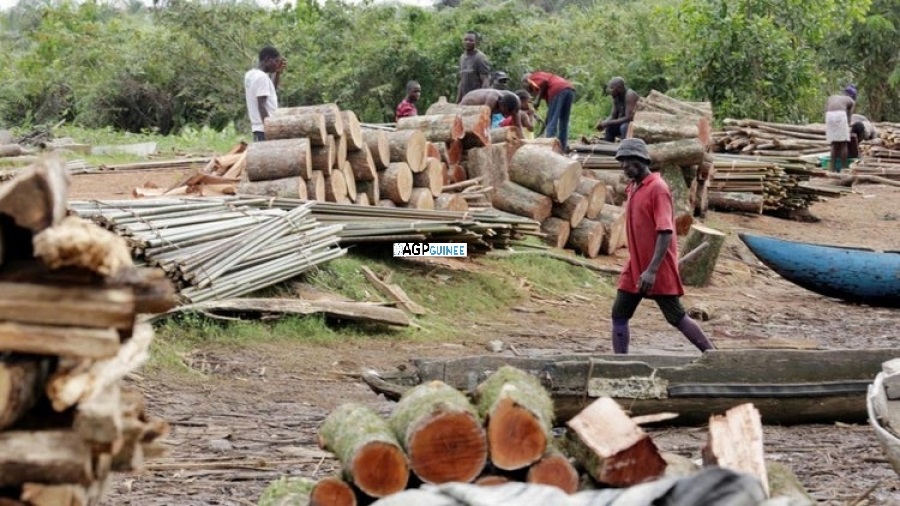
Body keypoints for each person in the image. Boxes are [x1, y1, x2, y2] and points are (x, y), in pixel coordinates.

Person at [610, 138, 714, 355]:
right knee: (619, 314)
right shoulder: (634, 188)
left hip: (656, 266)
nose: (624, 167)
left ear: (640, 161)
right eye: (621, 162)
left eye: (627, 162)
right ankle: (619, 362)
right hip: (636, 263)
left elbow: (666, 231)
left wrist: (652, 270)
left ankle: (713, 354)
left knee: (675, 316)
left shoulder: (657, 188)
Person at [522, 71, 575, 152]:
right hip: (570, 89)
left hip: (558, 89)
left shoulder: (532, 77)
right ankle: (563, 148)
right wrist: (544, 126)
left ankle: (549, 149)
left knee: (553, 123)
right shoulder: (546, 90)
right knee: (564, 121)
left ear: (526, 81)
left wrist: (537, 101)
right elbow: (550, 113)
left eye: (524, 85)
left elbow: (544, 82)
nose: (525, 88)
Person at [244, 46, 285, 142]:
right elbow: (261, 105)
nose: (277, 64)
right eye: (275, 61)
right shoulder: (262, 78)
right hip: (264, 130)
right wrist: (269, 127)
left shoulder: (250, 75)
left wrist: (278, 73)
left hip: (257, 128)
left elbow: (270, 91)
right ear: (267, 59)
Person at [459, 88, 523, 139]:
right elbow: (486, 121)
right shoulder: (492, 100)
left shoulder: (516, 104)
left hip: (482, 106)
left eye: (509, 114)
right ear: (501, 105)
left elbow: (518, 125)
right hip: (468, 104)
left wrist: (523, 141)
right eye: (505, 113)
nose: (506, 116)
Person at [596, 77, 639, 142]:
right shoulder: (616, 97)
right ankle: (608, 146)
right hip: (623, 123)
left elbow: (629, 118)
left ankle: (627, 147)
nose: (610, 90)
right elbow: (613, 116)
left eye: (612, 88)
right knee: (610, 128)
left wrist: (607, 122)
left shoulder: (630, 95)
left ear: (619, 88)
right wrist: (603, 123)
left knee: (624, 127)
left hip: (634, 125)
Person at [456, 31, 491, 103]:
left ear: (476, 42)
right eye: (465, 40)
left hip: (476, 99)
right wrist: (458, 101)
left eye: (471, 40)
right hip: (465, 99)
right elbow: (462, 81)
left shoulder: (480, 57)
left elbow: (485, 80)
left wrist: (482, 100)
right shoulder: (462, 58)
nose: (468, 42)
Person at [825, 88, 855, 171]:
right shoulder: (851, 100)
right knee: (843, 143)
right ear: (852, 96)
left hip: (829, 115)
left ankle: (832, 168)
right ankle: (844, 168)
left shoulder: (832, 97)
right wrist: (848, 126)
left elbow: (826, 109)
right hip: (840, 115)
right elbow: (849, 116)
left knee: (834, 143)